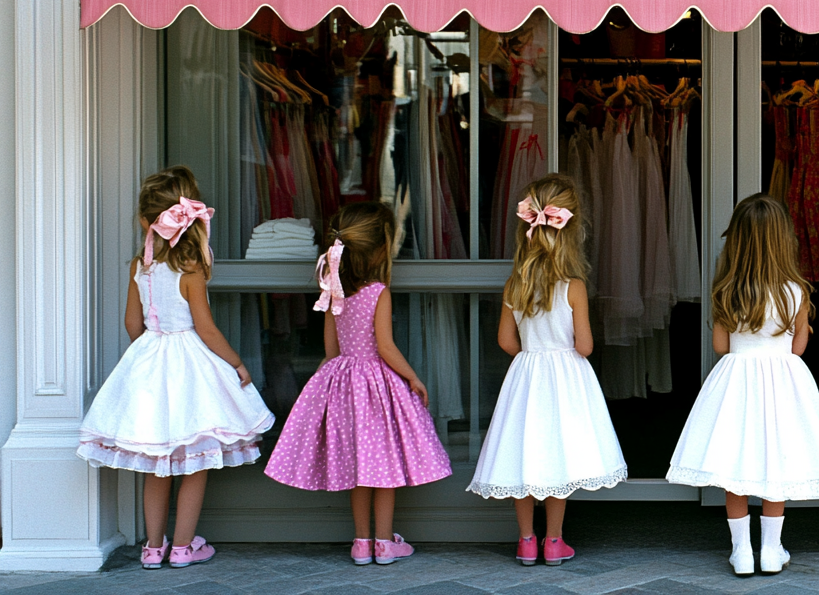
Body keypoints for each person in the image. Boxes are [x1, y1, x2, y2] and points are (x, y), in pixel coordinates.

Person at [78, 166, 275, 570]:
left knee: (157, 465)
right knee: (195, 461)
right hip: (190, 369)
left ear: (144, 220)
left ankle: (153, 548)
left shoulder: (140, 265)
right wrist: (236, 362)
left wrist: (150, 357)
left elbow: (134, 325)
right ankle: (184, 547)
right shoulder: (191, 269)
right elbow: (205, 328)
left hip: (151, 361)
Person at [666, 193, 819, 576]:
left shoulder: (728, 289)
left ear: (737, 241)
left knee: (736, 464)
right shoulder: (795, 291)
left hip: (737, 383)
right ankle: (771, 549)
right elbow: (798, 347)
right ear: (784, 240)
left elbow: (720, 345)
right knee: (774, 466)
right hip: (782, 385)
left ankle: (741, 551)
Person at [266, 201, 452, 565]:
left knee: (357, 471)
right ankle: (384, 542)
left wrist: (322, 390)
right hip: (377, 388)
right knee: (382, 469)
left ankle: (361, 542)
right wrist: (412, 376)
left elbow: (331, 350)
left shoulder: (335, 291)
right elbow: (384, 346)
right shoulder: (378, 291)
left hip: (343, 384)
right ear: (380, 249)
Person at [468, 175, 627, 567]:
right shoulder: (573, 286)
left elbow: (506, 340)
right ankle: (554, 541)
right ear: (571, 229)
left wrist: (531, 353)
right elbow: (584, 345)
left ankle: (525, 540)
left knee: (524, 455)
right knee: (559, 455)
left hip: (527, 376)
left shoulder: (515, 284)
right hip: (565, 380)